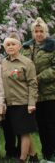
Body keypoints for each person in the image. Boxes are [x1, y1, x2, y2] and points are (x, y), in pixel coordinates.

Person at [21, 17, 55, 161]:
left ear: (46, 32)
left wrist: (39, 77)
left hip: (49, 93)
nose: (39, 34)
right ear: (32, 32)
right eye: (36, 31)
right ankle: (46, 153)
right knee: (40, 125)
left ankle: (52, 153)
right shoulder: (26, 47)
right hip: (32, 95)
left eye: (41, 31)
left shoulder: (52, 46)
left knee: (51, 125)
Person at [2, 33, 39, 162]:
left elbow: (33, 84)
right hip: (10, 103)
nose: (10, 47)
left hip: (23, 102)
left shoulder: (27, 62)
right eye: (8, 44)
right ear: (4, 47)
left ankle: (22, 159)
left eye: (13, 44)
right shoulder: (3, 62)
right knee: (23, 131)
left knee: (23, 132)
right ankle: (34, 157)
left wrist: (31, 103)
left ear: (19, 46)